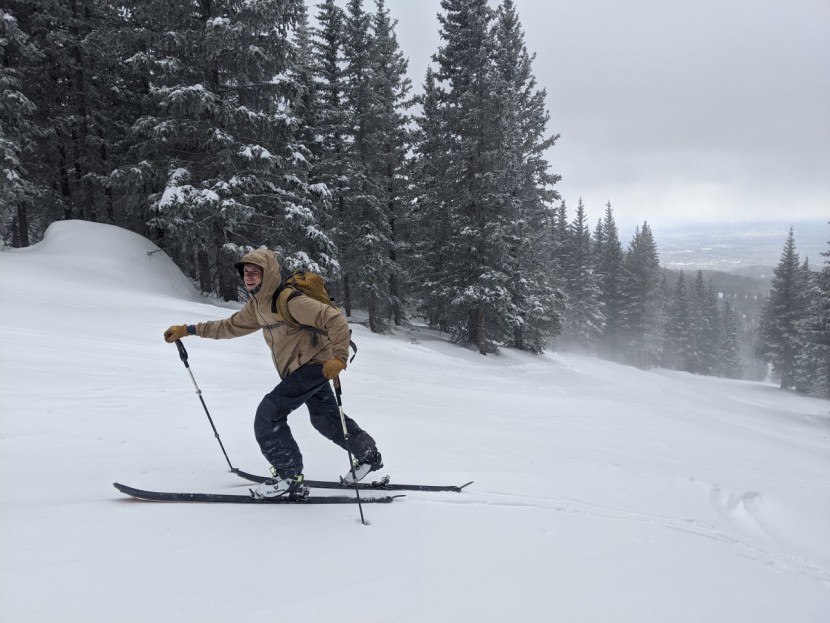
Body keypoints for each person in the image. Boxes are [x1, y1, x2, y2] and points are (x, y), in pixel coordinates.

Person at [163, 248, 382, 498]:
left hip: (313, 366)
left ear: (268, 275)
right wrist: (188, 330)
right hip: (300, 369)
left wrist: (340, 357)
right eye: (246, 272)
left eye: (255, 272)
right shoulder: (258, 306)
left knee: (269, 415)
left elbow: (335, 320)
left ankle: (289, 476)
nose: (249, 277)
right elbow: (229, 326)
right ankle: (368, 455)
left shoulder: (289, 300)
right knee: (325, 419)